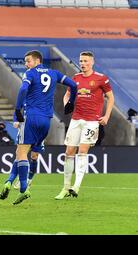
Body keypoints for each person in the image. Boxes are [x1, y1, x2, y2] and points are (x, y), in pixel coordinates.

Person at [0, 50, 77, 205]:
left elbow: (22, 90)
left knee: (21, 153)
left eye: (28, 61)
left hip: (31, 117)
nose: (26, 64)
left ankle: (23, 189)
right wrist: (71, 103)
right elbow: (73, 85)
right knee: (22, 152)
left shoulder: (30, 74)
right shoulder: (54, 73)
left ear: (37, 60)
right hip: (47, 121)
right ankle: (9, 182)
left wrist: (17, 110)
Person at [55, 51, 114, 200]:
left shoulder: (101, 79)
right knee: (69, 152)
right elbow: (67, 94)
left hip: (92, 121)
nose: (83, 63)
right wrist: (66, 104)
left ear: (92, 62)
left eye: (86, 61)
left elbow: (111, 98)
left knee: (82, 151)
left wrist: (106, 116)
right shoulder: (75, 78)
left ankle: (76, 186)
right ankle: (66, 187)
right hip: (76, 119)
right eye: (81, 61)